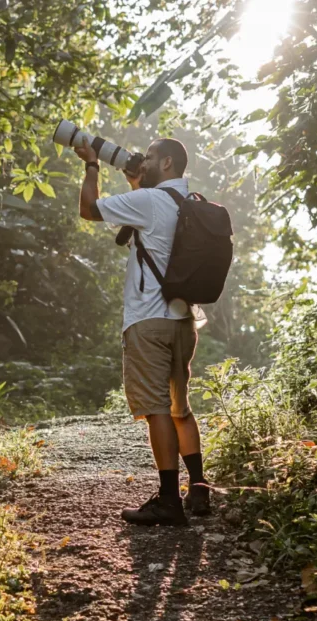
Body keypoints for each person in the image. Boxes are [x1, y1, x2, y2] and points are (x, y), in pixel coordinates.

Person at [74, 136, 210, 526]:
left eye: (149, 157)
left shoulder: (150, 201)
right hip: (183, 321)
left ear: (166, 163)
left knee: (157, 410)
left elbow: (89, 209)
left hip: (149, 322)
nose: (142, 161)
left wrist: (92, 165)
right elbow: (150, 228)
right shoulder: (189, 202)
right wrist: (137, 182)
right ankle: (198, 486)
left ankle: (168, 501)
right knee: (180, 408)